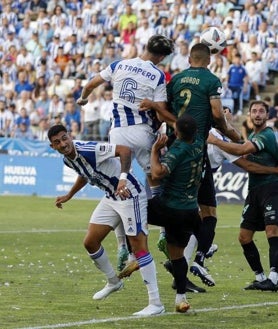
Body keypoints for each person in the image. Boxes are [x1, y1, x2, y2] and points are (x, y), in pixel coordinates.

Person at [140, 43, 241, 288]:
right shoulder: (211, 80)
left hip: (173, 146)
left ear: (189, 58)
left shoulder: (175, 80)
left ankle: (149, 248)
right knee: (207, 213)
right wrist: (230, 131)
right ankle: (197, 259)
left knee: (169, 200)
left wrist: (154, 107)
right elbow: (217, 114)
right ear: (209, 59)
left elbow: (163, 111)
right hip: (196, 150)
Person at [76, 34, 176, 271]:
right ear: (161, 56)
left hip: (118, 134)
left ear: (145, 47)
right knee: (156, 178)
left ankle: (123, 246)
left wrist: (82, 99)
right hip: (143, 132)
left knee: (120, 188)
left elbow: (90, 84)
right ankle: (163, 231)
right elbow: (161, 111)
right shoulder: (158, 75)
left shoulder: (119, 64)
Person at [47, 124, 165, 316]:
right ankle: (114, 281)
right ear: (53, 147)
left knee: (139, 247)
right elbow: (84, 174)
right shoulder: (67, 160)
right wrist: (69, 195)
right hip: (111, 197)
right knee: (90, 242)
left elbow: (125, 150)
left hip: (129, 194)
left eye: (64, 138)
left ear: (70, 136)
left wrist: (123, 178)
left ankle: (156, 303)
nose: (63, 143)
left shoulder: (89, 149)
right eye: (57, 142)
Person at [208, 100, 278, 291]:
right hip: (254, 190)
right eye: (254, 111)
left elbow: (243, 150)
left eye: (261, 111)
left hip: (272, 188)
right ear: (249, 115)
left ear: (268, 116)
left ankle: (274, 278)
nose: (257, 114)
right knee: (244, 237)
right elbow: (242, 151)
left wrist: (215, 141)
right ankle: (260, 277)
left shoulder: (267, 135)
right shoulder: (253, 135)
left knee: (273, 231)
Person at [147, 113, 204, 312]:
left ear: (177, 133)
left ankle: (132, 252)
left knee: (133, 209)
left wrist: (155, 150)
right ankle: (181, 298)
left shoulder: (178, 150)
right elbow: (184, 128)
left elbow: (157, 173)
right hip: (190, 210)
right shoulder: (199, 143)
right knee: (176, 255)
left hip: (171, 208)